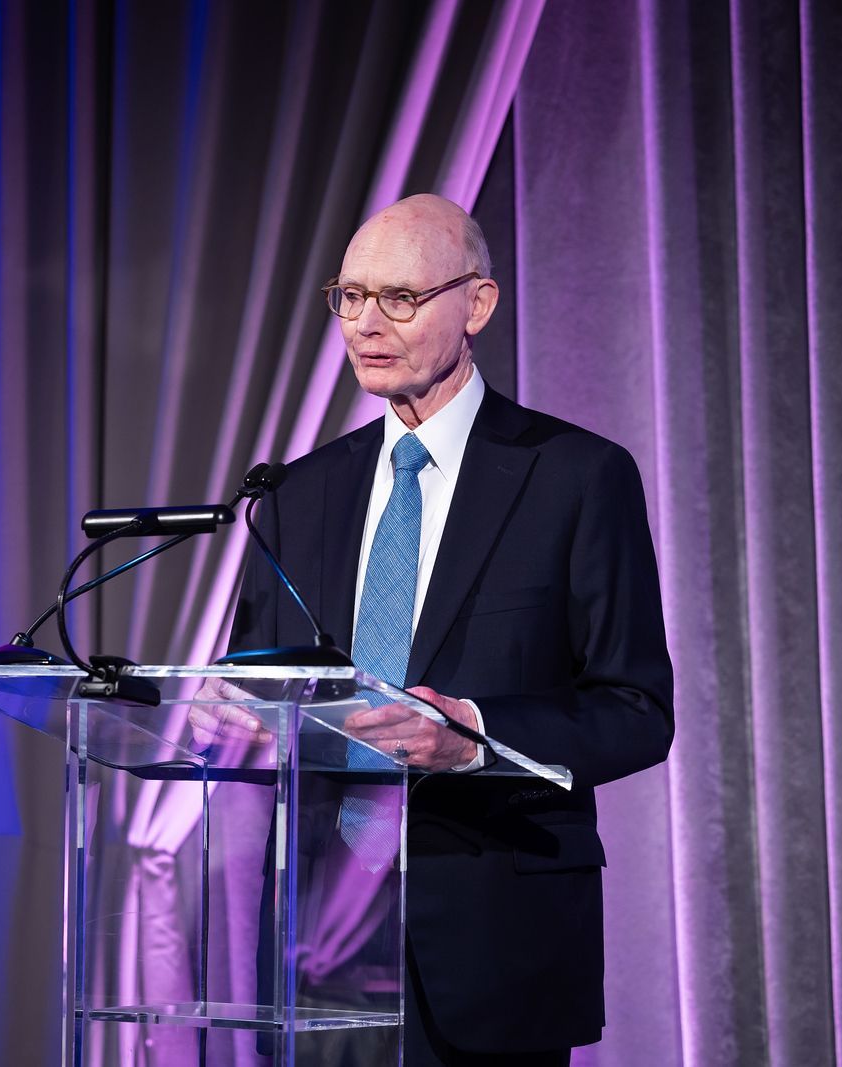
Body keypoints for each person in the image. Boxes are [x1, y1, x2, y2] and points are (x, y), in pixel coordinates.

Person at [222, 193, 674, 1063]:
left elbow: (636, 710)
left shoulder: (576, 479)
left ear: (476, 304)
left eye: (398, 297)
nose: (364, 323)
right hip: (318, 948)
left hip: (492, 949)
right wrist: (230, 715)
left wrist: (473, 737)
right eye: (349, 297)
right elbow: (263, 684)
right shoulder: (296, 495)